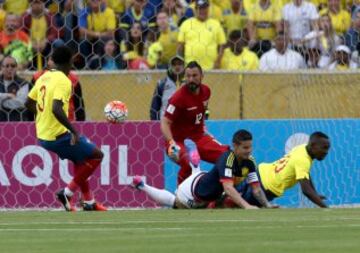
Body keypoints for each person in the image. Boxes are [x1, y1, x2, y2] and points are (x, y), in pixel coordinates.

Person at [25, 46, 106, 212]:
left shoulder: (44, 77)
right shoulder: (64, 80)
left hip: (43, 135)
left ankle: (89, 201)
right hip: (58, 135)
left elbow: (28, 103)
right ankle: (67, 193)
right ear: (70, 62)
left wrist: (41, 117)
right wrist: (74, 131)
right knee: (97, 155)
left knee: (80, 159)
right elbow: (56, 108)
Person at [132, 130, 274, 209]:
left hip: (205, 183)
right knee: (174, 202)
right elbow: (229, 189)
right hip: (192, 193)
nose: (249, 151)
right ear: (235, 146)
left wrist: (267, 205)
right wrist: (247, 206)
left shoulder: (250, 162)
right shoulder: (227, 158)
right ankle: (142, 185)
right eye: (245, 148)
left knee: (217, 198)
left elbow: (255, 188)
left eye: (250, 147)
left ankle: (195, 162)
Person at [161, 61, 229, 184]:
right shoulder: (178, 98)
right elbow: (165, 122)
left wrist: (203, 127)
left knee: (227, 157)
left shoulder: (206, 91)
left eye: (194, 76)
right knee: (189, 163)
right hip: (178, 142)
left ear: (202, 76)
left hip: (198, 138)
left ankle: (218, 192)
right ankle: (180, 198)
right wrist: (171, 144)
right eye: (188, 76)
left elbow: (200, 112)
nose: (191, 79)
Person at [235, 131, 331, 208]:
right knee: (239, 207)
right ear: (313, 145)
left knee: (231, 197)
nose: (326, 152)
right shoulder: (303, 160)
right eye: (324, 148)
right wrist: (324, 207)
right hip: (266, 187)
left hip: (260, 172)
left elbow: (306, 175)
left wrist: (315, 194)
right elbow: (306, 190)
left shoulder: (302, 148)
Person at [150, 55, 185, 120]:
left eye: (179, 64)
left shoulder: (189, 84)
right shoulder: (162, 84)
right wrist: (154, 124)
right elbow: (154, 107)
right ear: (170, 67)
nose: (177, 67)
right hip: (165, 124)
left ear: (184, 66)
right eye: (174, 64)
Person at [0, 56, 32, 121]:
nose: (10, 68)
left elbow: (21, 103)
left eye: (13, 66)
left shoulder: (23, 83)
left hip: (18, 123)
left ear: (16, 67)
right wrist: (7, 95)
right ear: (1, 67)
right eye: (7, 66)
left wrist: (1, 102)